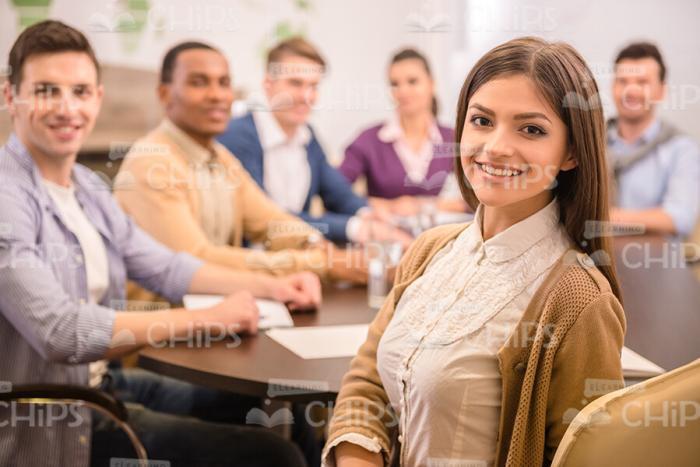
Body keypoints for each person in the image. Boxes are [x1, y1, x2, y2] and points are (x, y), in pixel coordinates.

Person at [0, 20, 319, 467]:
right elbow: (61, 332)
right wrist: (204, 317)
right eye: (46, 90)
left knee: (289, 403)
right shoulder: (6, 195)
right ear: (9, 95)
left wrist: (274, 288)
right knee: (273, 455)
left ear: (97, 98)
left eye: (80, 91)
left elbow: (167, 267)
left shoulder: (87, 188)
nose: (66, 107)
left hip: (106, 383)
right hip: (59, 414)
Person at [322, 37, 626, 467]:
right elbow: (368, 380)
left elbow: (586, 458)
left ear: (572, 151)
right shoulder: (429, 250)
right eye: (482, 120)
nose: (496, 146)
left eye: (531, 129)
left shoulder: (578, 299)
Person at [114, 41, 367, 292]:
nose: (217, 95)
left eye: (224, 83)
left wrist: (310, 241)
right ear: (164, 94)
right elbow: (196, 261)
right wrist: (318, 262)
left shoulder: (220, 156)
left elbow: (269, 219)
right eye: (198, 82)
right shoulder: (151, 163)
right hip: (166, 324)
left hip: (220, 312)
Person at [217, 37, 413, 246]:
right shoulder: (238, 136)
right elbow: (268, 216)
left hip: (298, 256)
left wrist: (368, 214)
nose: (306, 96)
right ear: (268, 84)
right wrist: (356, 228)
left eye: (313, 86)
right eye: (295, 83)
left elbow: (339, 193)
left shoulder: (307, 136)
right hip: (252, 264)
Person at [340, 48, 466, 216]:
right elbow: (336, 193)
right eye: (395, 84)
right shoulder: (368, 140)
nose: (403, 91)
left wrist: (421, 205)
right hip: (384, 238)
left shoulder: (453, 139)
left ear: (432, 84)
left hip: (438, 239)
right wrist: (387, 206)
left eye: (412, 81)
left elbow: (477, 199)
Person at [608, 41, 700, 237]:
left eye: (642, 82)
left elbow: (680, 218)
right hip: (591, 261)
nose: (630, 91)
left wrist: (605, 218)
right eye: (622, 81)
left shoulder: (682, 149)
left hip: (654, 262)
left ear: (661, 91)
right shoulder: (589, 142)